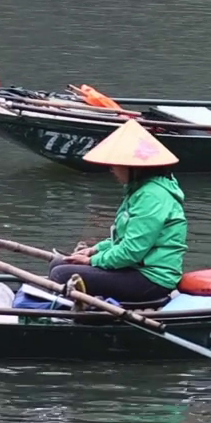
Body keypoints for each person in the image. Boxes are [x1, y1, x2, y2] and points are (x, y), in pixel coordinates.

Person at [50, 119, 187, 306]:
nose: (112, 169)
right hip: (134, 269)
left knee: (61, 274)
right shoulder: (138, 190)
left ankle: (69, 313)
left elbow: (131, 251)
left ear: (133, 167)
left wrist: (92, 261)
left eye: (115, 164)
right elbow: (124, 238)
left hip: (151, 278)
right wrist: (95, 250)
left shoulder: (152, 195)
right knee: (58, 264)